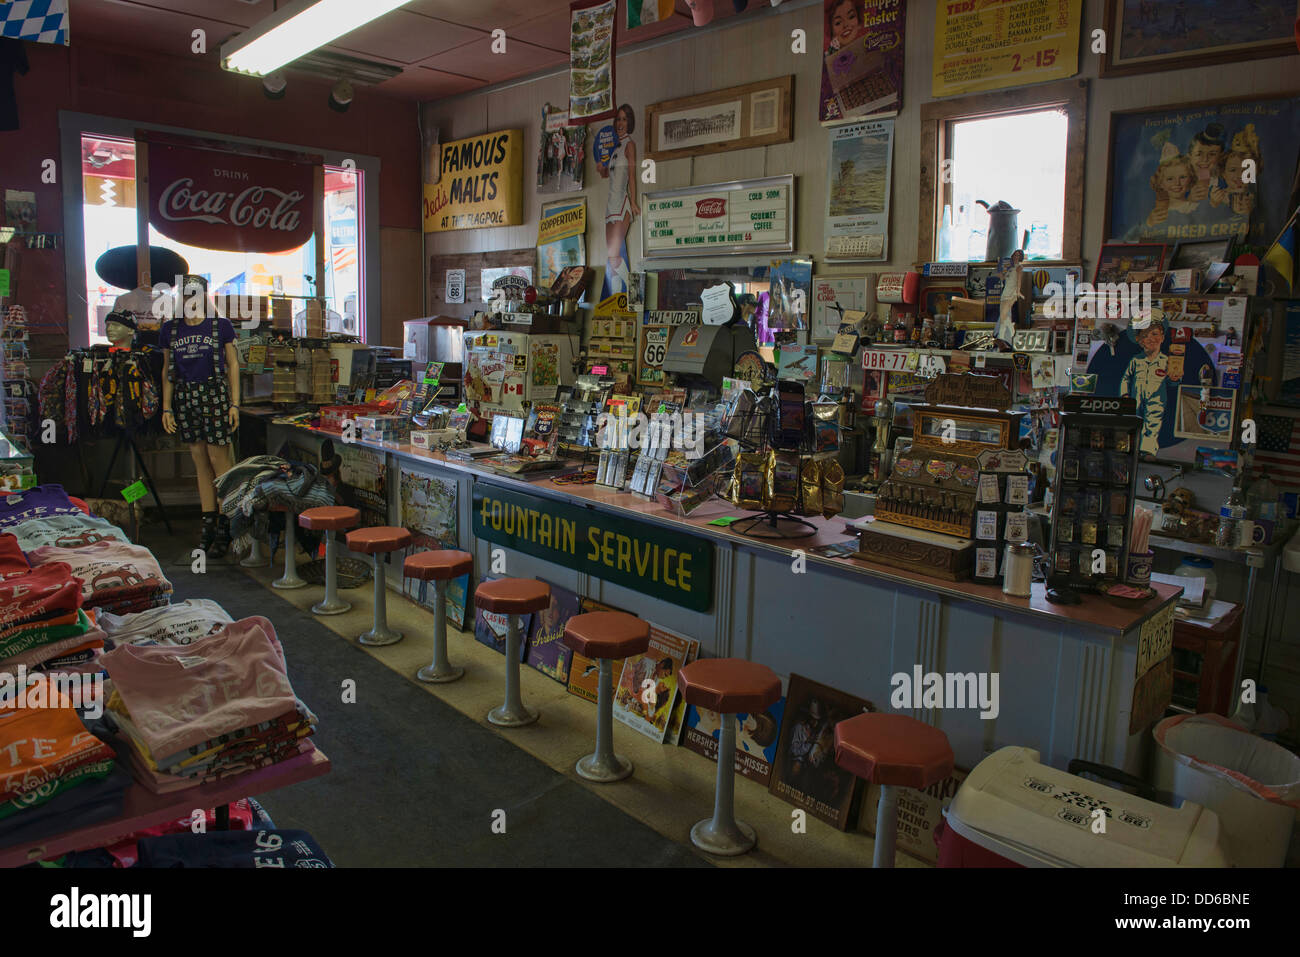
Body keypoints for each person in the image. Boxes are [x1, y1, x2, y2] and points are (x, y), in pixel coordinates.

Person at [159, 275, 241, 557]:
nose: (190, 299)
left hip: (215, 394)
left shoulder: (221, 326)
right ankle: (208, 521)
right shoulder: (171, 329)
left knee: (220, 461)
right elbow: (168, 370)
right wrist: (167, 407)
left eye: (196, 293)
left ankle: (227, 523)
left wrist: (234, 403)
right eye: (186, 294)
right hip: (185, 397)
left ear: (205, 295)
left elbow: (233, 364)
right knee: (199, 460)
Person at [597, 103, 639, 297]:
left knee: (615, 256)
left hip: (622, 203)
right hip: (609, 205)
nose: (620, 123)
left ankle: (633, 291)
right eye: (618, 119)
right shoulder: (613, 148)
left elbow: (631, 174)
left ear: (629, 122)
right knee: (612, 260)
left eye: (624, 119)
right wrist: (601, 167)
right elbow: (606, 174)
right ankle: (615, 302)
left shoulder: (629, 145)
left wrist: (634, 202)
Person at [1121, 318, 1169, 456]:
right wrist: (1125, 395)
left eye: (1154, 334)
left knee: (1153, 425)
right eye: (1145, 335)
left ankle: (1148, 453)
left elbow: (1173, 383)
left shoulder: (1166, 361)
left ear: (1162, 337)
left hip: (1157, 399)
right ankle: (1130, 450)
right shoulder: (1136, 360)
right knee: (1133, 423)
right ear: (1139, 340)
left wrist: (1175, 378)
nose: (1150, 339)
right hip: (1136, 398)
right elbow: (1126, 378)